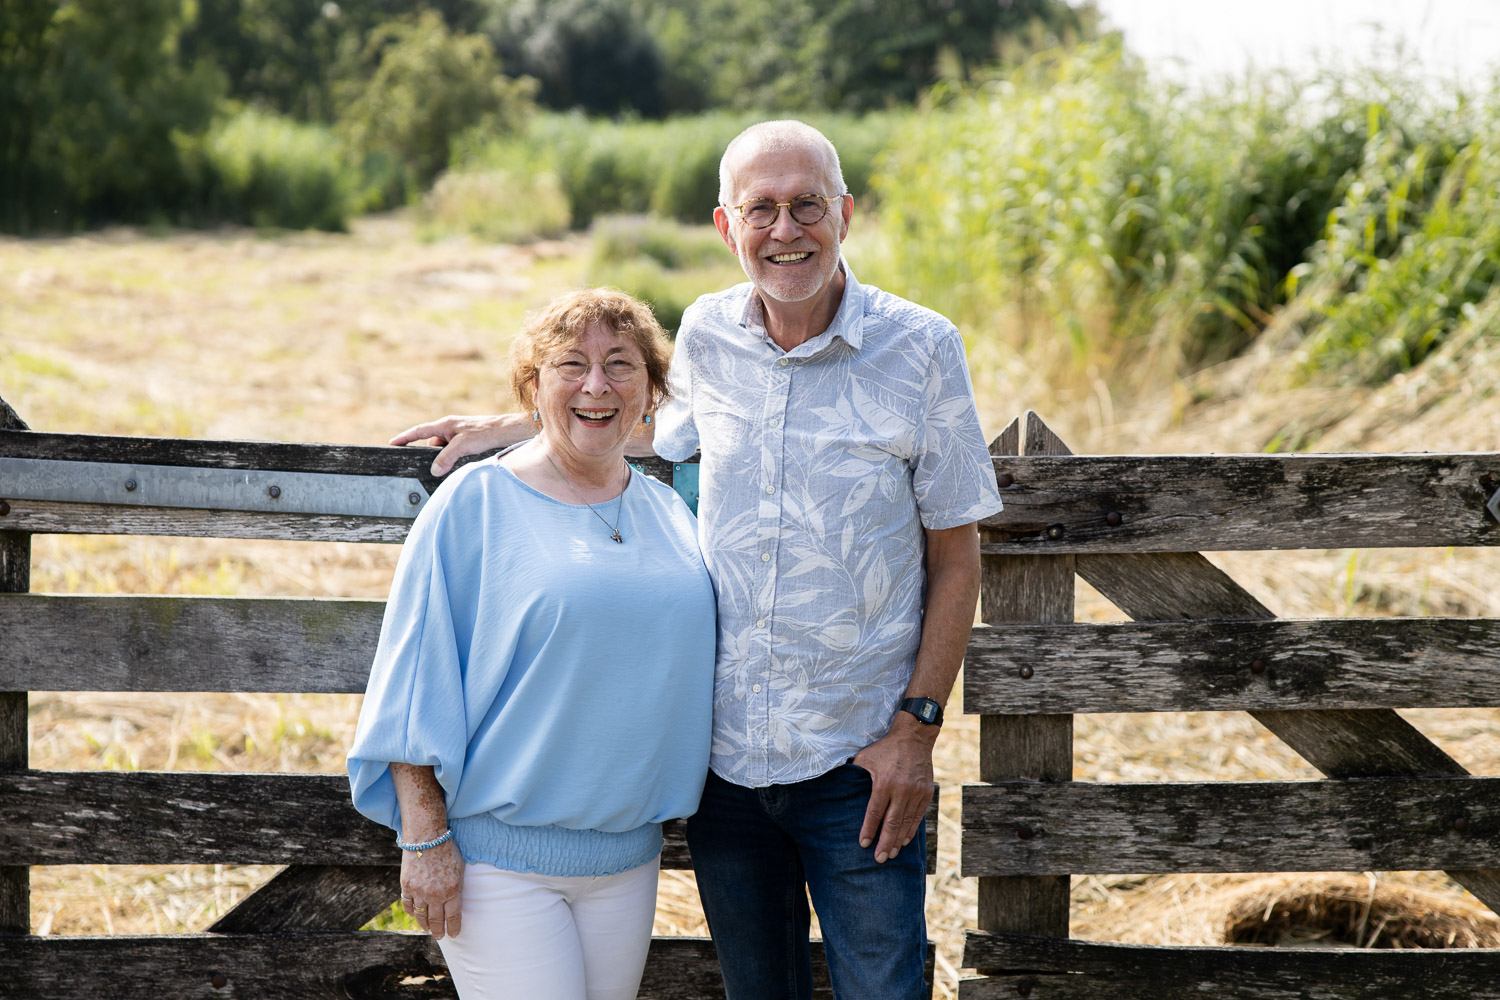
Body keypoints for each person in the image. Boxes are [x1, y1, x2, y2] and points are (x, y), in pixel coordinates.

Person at [391, 120, 1005, 1000]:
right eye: (761, 209)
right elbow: (645, 421)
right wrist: (514, 424)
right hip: (727, 771)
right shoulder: (709, 332)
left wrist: (916, 732)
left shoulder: (922, 349)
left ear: (845, 214)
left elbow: (957, 555)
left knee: (884, 991)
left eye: (807, 206)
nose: (785, 230)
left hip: (861, 763)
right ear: (726, 225)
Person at [349, 288, 716, 1000]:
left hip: (628, 860)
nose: (596, 385)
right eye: (571, 365)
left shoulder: (670, 510)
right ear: (533, 385)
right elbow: (415, 682)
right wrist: (424, 839)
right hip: (500, 867)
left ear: (651, 391)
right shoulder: (477, 503)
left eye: (620, 364)